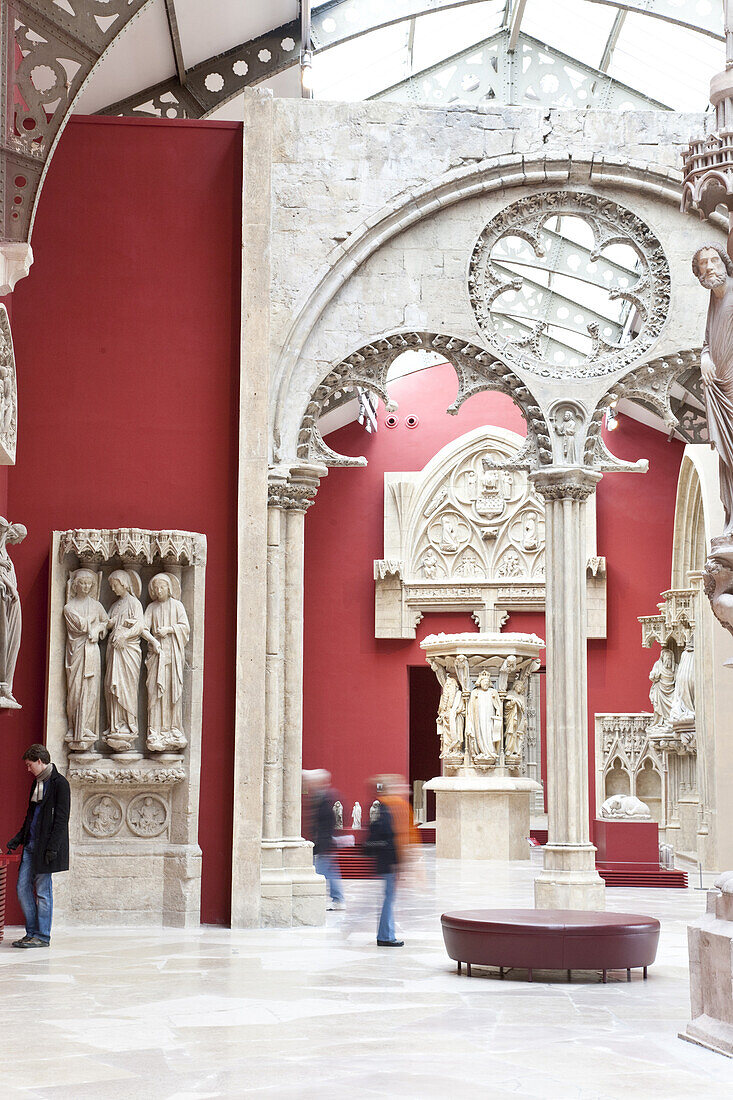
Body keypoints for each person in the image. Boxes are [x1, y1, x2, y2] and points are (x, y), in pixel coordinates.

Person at [6, 744, 70, 948]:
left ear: (40, 761)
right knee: (22, 888)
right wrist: (18, 838)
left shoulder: (60, 784)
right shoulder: (37, 784)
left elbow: (61, 819)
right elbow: (30, 815)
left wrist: (53, 847)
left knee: (43, 890)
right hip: (31, 845)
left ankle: (42, 936)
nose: (28, 769)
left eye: (29, 764)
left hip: (45, 847)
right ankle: (31, 933)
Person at [693, 243, 733, 534]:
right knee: (726, 458)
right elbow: (708, 341)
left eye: (714, 260)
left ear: (724, 262)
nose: (709, 266)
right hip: (720, 388)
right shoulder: (713, 299)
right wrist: (705, 358)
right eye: (703, 263)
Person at [367, 774, 420, 948]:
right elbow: (384, 838)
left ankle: (386, 934)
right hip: (388, 862)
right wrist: (398, 859)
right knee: (388, 899)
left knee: (388, 898)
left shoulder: (388, 808)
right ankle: (385, 936)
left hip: (389, 862)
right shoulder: (386, 809)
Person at [304, 769, 344, 911]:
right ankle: (338, 899)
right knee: (331, 872)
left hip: (324, 844)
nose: (309, 785)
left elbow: (326, 825)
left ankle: (319, 900)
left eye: (311, 782)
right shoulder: (322, 797)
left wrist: (322, 843)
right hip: (324, 843)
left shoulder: (325, 799)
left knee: (319, 872)